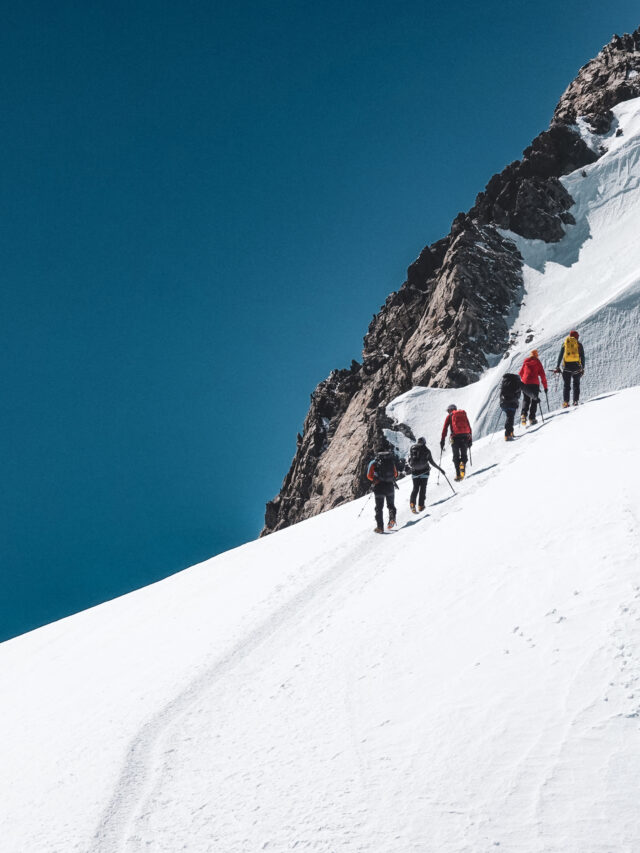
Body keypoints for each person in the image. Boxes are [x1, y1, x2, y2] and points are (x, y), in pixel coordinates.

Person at [407, 436, 445, 512]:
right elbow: (432, 462)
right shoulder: (427, 450)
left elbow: (409, 460)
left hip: (415, 472)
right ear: (424, 442)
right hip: (424, 472)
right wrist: (440, 469)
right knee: (423, 488)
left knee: (415, 488)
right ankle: (421, 506)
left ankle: (412, 503)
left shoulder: (412, 448)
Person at [366, 447, 398, 533]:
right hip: (390, 486)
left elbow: (369, 476)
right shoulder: (390, 461)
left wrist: (376, 479)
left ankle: (380, 527)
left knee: (379, 508)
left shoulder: (374, 462)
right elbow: (395, 474)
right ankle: (392, 519)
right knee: (391, 505)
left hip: (379, 487)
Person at [440, 404, 472, 481]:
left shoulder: (450, 416)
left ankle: (458, 475)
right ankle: (463, 464)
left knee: (456, 456)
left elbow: (445, 429)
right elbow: (469, 426)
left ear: (450, 410)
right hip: (465, 437)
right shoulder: (462, 414)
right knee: (464, 455)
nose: (448, 412)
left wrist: (442, 440)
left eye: (448, 410)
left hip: (455, 438)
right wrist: (470, 439)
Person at [555, 330, 585, 407]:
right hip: (576, 367)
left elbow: (560, 355)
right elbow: (583, 357)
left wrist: (558, 366)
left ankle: (566, 402)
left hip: (566, 367)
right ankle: (575, 401)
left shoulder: (565, 343)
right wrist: (582, 368)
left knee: (566, 385)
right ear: (576, 337)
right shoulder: (579, 345)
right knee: (576, 384)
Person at [518, 349, 548, 426]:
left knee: (526, 399)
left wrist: (524, 381)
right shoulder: (538, 362)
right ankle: (532, 418)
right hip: (535, 384)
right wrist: (545, 387)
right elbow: (542, 375)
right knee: (534, 400)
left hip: (525, 383)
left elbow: (520, 373)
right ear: (536, 356)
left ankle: (523, 415)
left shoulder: (526, 362)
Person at [499, 373, 522, 440]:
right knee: (510, 417)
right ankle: (508, 434)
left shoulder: (505, 381)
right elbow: (518, 393)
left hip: (503, 402)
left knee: (509, 416)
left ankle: (511, 432)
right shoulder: (516, 381)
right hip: (512, 402)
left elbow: (501, 393)